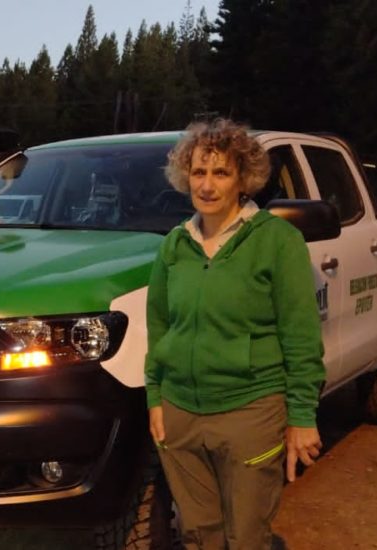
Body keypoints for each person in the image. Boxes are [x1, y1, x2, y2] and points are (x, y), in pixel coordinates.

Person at [146, 119, 326, 549]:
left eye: (221, 173)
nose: (207, 185)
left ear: (243, 180)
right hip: (180, 413)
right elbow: (160, 325)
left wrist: (301, 416)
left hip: (250, 410)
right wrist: (156, 397)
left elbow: (300, 335)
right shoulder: (174, 244)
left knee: (246, 537)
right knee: (197, 534)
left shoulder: (277, 241)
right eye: (198, 172)